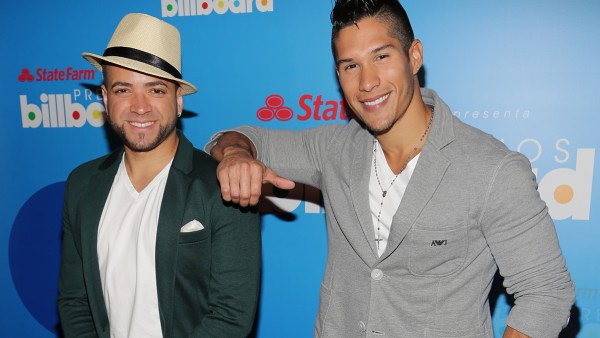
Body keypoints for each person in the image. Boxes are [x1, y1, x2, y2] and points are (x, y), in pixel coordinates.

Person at [206, 0, 575, 337]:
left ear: (414, 56)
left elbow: (547, 292)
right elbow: (238, 137)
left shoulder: (492, 169)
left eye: (381, 57)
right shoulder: (334, 148)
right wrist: (236, 154)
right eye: (351, 66)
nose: (367, 83)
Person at [57, 13, 261, 338]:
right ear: (106, 99)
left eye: (155, 90)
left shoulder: (222, 186)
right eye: (124, 90)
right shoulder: (81, 184)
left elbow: (230, 317)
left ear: (178, 100)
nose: (140, 106)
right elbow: (74, 300)